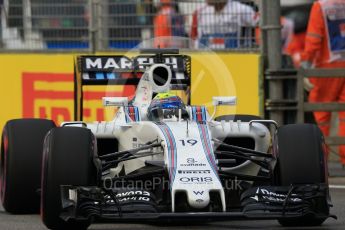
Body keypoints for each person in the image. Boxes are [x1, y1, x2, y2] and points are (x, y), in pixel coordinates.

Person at [301, 0, 345, 167]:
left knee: (320, 114)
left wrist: (305, 66)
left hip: (326, 67)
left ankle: (320, 162)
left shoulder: (321, 5)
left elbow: (314, 38)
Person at [190, 0, 257, 49]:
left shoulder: (242, 9)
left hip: (236, 58)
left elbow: (260, 24)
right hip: (207, 60)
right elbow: (193, 38)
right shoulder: (199, 12)